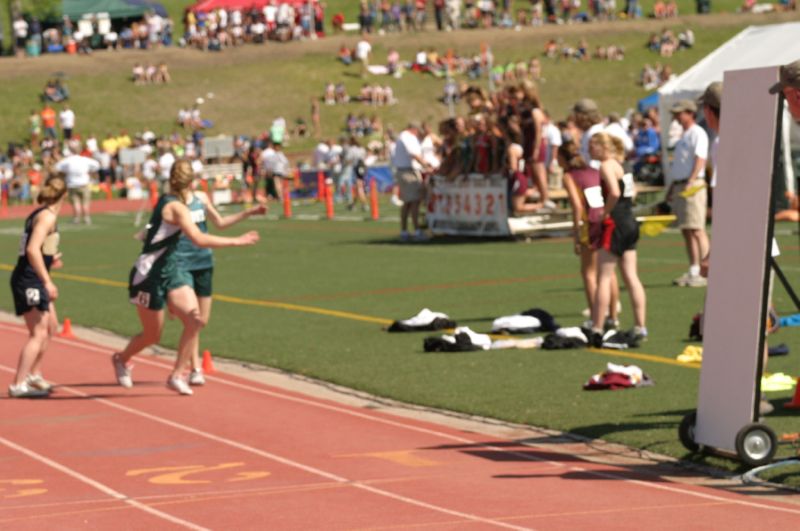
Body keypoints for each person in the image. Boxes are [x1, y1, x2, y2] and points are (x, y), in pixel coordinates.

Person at [112, 160, 259, 395]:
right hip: (148, 275)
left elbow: (158, 225)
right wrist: (236, 241)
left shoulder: (172, 201)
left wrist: (147, 233)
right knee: (152, 335)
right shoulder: (175, 206)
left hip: (172, 269)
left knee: (194, 321)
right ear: (191, 182)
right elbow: (198, 238)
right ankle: (121, 359)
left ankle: (177, 374)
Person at [175, 177, 266, 386]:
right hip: (181, 263)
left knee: (202, 321)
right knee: (193, 318)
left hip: (203, 262)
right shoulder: (171, 203)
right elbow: (155, 224)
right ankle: (194, 368)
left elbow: (220, 223)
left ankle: (190, 365)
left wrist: (248, 213)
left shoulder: (201, 198)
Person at [8, 176, 67, 398]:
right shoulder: (46, 218)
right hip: (29, 280)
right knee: (38, 332)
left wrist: (51, 259)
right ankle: (18, 384)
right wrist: (47, 280)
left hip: (33, 277)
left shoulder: (41, 213)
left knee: (51, 326)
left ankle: (34, 374)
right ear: (65, 195)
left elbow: (38, 250)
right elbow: (32, 250)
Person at [589, 132, 647, 342]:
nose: (589, 150)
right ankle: (641, 326)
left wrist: (605, 212)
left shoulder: (606, 165)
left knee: (603, 277)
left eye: (592, 146)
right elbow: (631, 192)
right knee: (631, 276)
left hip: (615, 223)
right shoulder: (623, 165)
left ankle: (596, 327)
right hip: (629, 220)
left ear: (602, 147)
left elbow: (613, 192)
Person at [559, 139, 620, 329]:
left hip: (590, 221)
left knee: (589, 273)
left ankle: (596, 316)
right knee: (608, 271)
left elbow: (578, 205)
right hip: (605, 217)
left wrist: (576, 232)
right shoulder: (593, 171)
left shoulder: (569, 176)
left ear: (563, 158)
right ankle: (612, 315)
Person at [667, 99, 709, 287]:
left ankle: (707, 269)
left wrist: (691, 180)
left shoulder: (697, 132)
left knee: (697, 229)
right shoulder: (684, 135)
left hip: (692, 184)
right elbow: (679, 164)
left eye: (679, 112)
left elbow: (700, 158)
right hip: (681, 184)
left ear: (689, 112)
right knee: (686, 229)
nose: (676, 116)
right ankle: (694, 269)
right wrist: (672, 188)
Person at [392, 121, 430, 241]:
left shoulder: (402, 137)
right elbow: (414, 154)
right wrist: (426, 165)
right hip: (408, 172)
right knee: (414, 201)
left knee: (407, 203)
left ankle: (404, 230)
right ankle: (417, 230)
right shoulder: (408, 137)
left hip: (403, 171)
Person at [55, 139, 100, 225]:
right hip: (84, 183)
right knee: (85, 202)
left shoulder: (68, 160)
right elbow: (97, 165)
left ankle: (77, 217)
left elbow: (57, 167)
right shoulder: (84, 159)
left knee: (76, 202)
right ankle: (86, 217)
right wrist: (90, 171)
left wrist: (65, 171)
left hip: (72, 184)